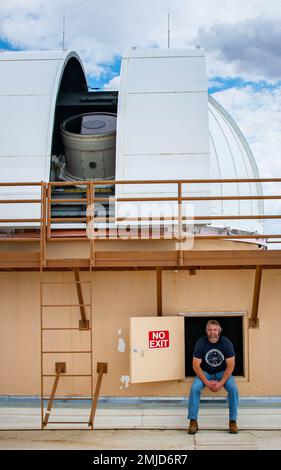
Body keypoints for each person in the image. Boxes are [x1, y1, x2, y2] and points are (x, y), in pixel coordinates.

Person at [187, 319, 239, 434]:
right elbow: (195, 366)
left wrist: (221, 383)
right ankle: (193, 421)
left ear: (219, 331)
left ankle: (233, 421)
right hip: (205, 372)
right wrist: (205, 381)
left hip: (222, 372)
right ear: (206, 331)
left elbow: (231, 365)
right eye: (210, 330)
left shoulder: (226, 343)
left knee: (234, 389)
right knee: (195, 388)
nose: (212, 332)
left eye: (215, 330)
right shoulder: (201, 342)